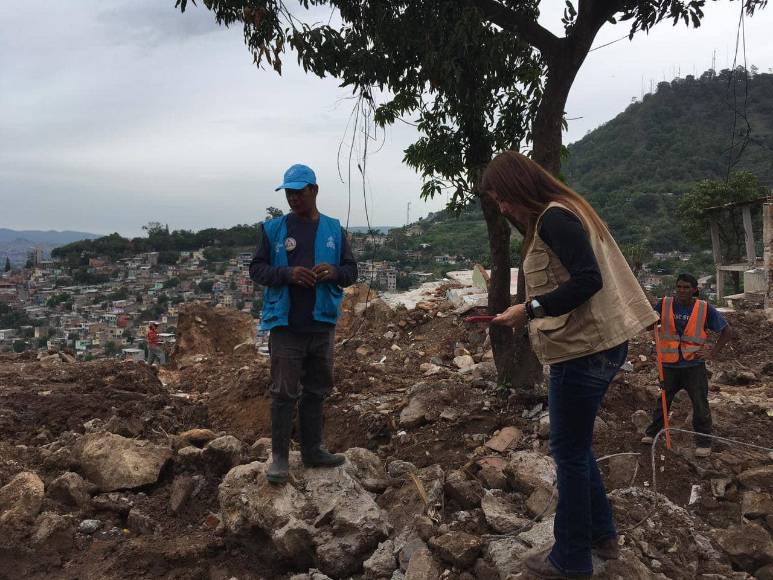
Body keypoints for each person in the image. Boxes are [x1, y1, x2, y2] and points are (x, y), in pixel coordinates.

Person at [481, 151, 658, 579]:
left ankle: (570, 558)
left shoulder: (555, 219)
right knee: (576, 448)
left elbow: (588, 280)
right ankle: (602, 535)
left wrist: (529, 309)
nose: (502, 208)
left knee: (568, 453)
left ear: (519, 186)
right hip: (595, 347)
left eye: (503, 198)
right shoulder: (566, 210)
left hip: (583, 352)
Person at [249, 164, 358, 485]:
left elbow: (351, 271)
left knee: (316, 389)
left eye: (299, 192)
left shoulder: (333, 230)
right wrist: (287, 274)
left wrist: (334, 272)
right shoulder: (273, 230)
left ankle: (312, 450)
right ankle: (280, 458)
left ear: (314, 190)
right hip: (286, 326)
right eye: (289, 193)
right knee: (283, 392)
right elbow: (256, 269)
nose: (293, 198)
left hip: (321, 325)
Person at [641, 274, 731, 457]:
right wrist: (647, 317)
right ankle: (652, 433)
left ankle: (703, 442)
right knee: (663, 400)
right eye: (679, 287)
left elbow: (727, 331)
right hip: (669, 365)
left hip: (693, 365)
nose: (682, 291)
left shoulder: (704, 308)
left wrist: (712, 353)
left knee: (700, 404)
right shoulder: (665, 304)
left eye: (686, 287)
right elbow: (650, 326)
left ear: (694, 289)